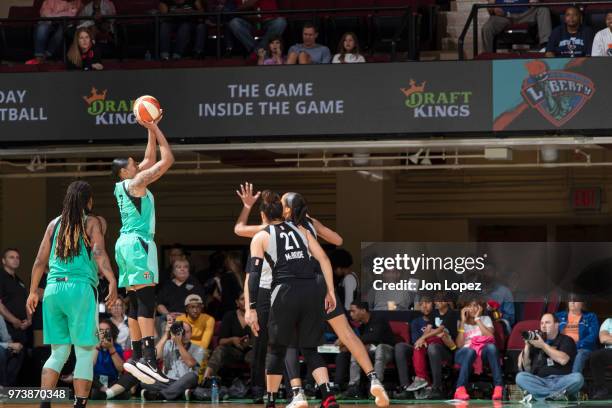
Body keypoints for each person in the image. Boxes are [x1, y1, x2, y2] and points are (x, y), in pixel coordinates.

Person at [234, 184, 388, 407]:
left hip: (292, 287)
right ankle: (374, 378)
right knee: (347, 334)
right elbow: (338, 240)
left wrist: (247, 207)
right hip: (320, 284)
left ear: (285, 210)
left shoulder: (277, 228)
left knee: (289, 343)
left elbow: (239, 229)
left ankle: (297, 393)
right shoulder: (308, 224)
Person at [26, 180, 118, 408]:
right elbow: (99, 253)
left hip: (53, 290)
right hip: (79, 290)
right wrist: (112, 278)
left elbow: (39, 261)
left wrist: (31, 292)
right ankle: (79, 405)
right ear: (89, 201)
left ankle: (44, 404)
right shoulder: (91, 222)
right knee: (85, 353)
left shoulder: (53, 224)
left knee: (58, 353)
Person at [246, 190, 339, 408]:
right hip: (311, 290)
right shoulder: (301, 229)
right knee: (310, 349)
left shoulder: (261, 236)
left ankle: (271, 401)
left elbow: (254, 276)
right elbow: (324, 258)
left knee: (277, 348)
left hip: (284, 291)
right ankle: (328, 395)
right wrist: (331, 291)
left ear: (263, 215)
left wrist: (251, 307)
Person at [110, 109, 174, 384]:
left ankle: (136, 356)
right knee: (147, 300)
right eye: (134, 164)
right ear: (126, 170)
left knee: (135, 301)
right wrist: (159, 131)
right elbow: (166, 159)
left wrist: (149, 126)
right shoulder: (137, 183)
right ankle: (148, 357)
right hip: (139, 245)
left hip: (124, 246)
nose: (140, 164)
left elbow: (149, 158)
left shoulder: (122, 185)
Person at [395, 295, 457, 400]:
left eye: (427, 303)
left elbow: (442, 333)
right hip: (421, 347)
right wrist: (422, 339)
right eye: (422, 303)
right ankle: (406, 387)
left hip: (440, 348)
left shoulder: (446, 315)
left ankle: (436, 387)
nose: (424, 306)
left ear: (434, 305)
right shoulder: (416, 321)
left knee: (432, 346)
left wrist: (425, 338)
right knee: (402, 347)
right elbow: (418, 340)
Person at [516, 313, 584, 403]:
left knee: (578, 378)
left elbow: (563, 360)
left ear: (556, 325)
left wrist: (543, 345)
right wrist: (527, 346)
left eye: (547, 323)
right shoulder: (536, 342)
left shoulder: (566, 340)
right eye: (542, 323)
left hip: (560, 381)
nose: (543, 326)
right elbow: (524, 367)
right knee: (520, 377)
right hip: (540, 381)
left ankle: (537, 395)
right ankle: (556, 396)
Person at [340, 301, 394, 399]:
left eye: (353, 311)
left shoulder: (378, 319)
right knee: (356, 350)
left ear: (363, 311)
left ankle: (377, 385)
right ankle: (353, 386)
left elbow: (376, 337)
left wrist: (352, 341)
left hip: (388, 351)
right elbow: (366, 341)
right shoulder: (362, 326)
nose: (351, 314)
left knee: (380, 348)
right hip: (372, 352)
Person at [453, 296, 503, 401]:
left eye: (475, 305)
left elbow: (491, 337)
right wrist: (462, 321)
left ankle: (498, 387)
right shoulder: (460, 322)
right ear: (464, 308)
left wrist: (477, 319)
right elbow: (459, 345)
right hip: (464, 352)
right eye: (469, 306)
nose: (472, 308)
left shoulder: (486, 319)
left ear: (480, 307)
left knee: (491, 347)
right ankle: (460, 389)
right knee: (470, 351)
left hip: (481, 352)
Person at [141, 320, 205, 400]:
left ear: (191, 333)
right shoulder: (168, 344)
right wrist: (166, 334)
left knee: (192, 376)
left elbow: (190, 363)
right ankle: (180, 393)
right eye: (182, 332)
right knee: (145, 381)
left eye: (187, 332)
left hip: (186, 381)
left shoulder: (199, 349)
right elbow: (155, 356)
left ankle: (161, 395)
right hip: (168, 381)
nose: (184, 335)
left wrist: (178, 343)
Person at [201, 293, 253, 381]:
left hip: (251, 351)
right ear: (237, 302)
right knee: (220, 350)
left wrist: (250, 342)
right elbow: (221, 341)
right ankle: (206, 379)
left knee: (256, 354)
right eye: (242, 299)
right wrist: (232, 340)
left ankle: (257, 384)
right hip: (233, 352)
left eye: (248, 299)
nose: (245, 301)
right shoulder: (230, 316)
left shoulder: (257, 316)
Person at [481, 0, 551, 53]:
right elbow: (490, 7)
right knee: (487, 27)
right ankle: (487, 54)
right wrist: (493, 9)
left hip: (524, 14)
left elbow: (534, 2)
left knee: (543, 8)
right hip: (503, 16)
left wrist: (534, 2)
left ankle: (545, 46)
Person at [27, 0, 83, 64]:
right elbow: (46, 15)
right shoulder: (49, 1)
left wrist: (55, 15)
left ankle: (46, 55)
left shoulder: (76, 2)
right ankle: (39, 57)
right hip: (48, 23)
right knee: (42, 27)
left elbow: (72, 14)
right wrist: (63, 14)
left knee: (62, 31)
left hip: (63, 24)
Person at [555, 296, 598, 373]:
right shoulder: (558, 316)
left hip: (582, 348)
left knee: (580, 354)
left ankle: (574, 380)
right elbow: (551, 332)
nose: (572, 302)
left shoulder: (590, 317)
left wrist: (576, 345)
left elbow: (593, 336)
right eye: (570, 300)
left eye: (576, 300)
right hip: (562, 347)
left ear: (583, 303)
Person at [0, 248, 30, 345]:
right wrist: (14, 320)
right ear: (4, 261)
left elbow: (26, 301)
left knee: (22, 357)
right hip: (6, 327)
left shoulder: (18, 280)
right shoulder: (1, 277)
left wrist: (29, 320)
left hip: (22, 327)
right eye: (11, 257)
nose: (15, 259)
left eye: (17, 257)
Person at [89, 319, 125, 398]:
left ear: (111, 333)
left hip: (112, 382)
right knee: (94, 390)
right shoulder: (92, 347)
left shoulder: (117, 347)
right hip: (95, 382)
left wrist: (111, 348)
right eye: (101, 331)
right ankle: (106, 392)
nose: (104, 333)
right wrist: (97, 346)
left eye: (107, 331)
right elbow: (89, 367)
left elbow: (121, 369)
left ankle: (108, 393)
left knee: (125, 392)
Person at [588, 316, 612, 400]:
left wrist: (610, 337)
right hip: (610, 351)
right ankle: (601, 389)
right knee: (596, 355)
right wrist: (607, 338)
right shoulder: (609, 321)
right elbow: (603, 338)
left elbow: (608, 338)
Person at [0, 315, 24, 386]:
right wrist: (9, 345)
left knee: (20, 351)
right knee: (0, 351)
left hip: (3, 345)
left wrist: (13, 346)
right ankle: (3, 385)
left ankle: (8, 385)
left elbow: (6, 338)